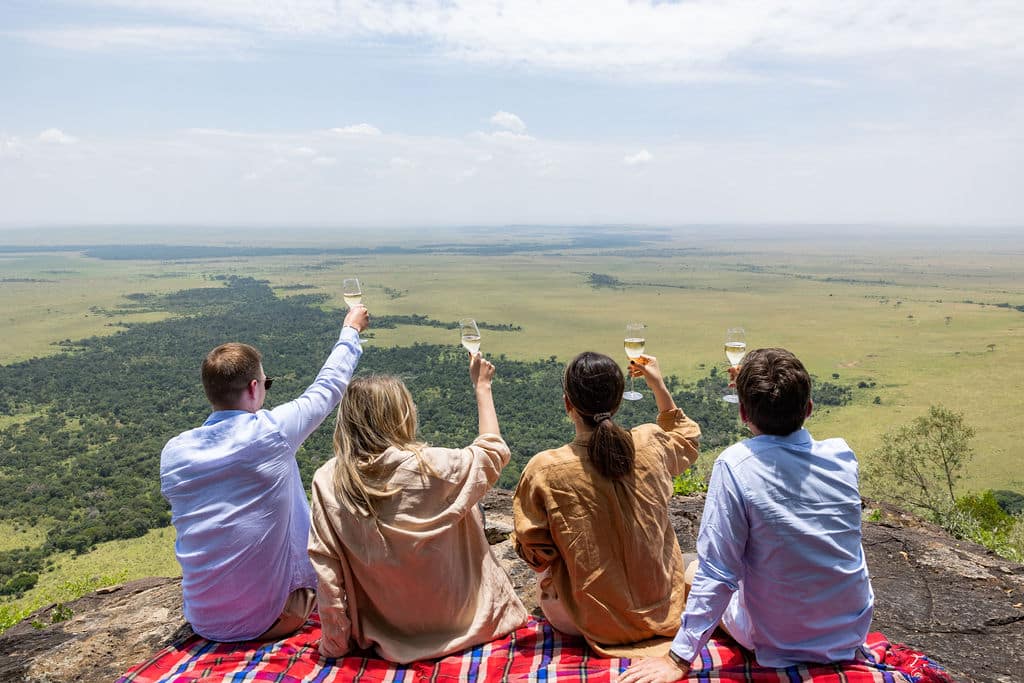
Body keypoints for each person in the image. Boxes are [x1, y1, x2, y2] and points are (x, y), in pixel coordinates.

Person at [621, 347, 875, 683]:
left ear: (743, 413)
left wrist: (677, 659)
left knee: (693, 568)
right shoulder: (842, 456)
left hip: (778, 641)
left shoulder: (736, 464)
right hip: (848, 633)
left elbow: (718, 572)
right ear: (809, 408)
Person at [160, 304, 369, 642]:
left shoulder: (174, 452)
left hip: (203, 620)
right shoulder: (270, 433)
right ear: (255, 387)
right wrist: (351, 330)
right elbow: (327, 387)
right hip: (272, 617)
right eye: (266, 383)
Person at [308, 353, 528, 663]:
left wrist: (334, 644)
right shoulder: (435, 468)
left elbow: (327, 573)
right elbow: (493, 451)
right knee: (470, 502)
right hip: (468, 622)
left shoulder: (329, 480)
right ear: (401, 416)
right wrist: (482, 386)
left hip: (389, 634)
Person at [512, 351, 701, 655]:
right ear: (618, 402)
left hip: (586, 623)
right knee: (692, 565)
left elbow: (536, 555)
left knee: (547, 572)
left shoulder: (544, 469)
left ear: (567, 404)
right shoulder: (651, 441)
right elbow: (687, 441)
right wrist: (658, 386)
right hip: (665, 615)